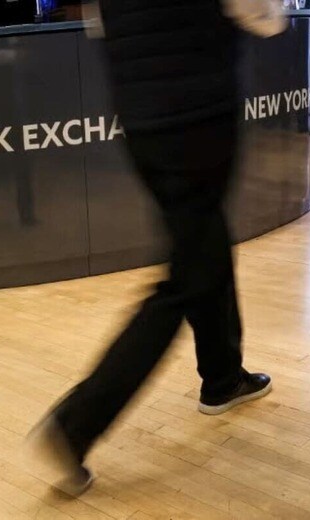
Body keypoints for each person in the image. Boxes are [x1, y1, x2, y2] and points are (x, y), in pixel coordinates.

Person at [31, 0, 286, 497]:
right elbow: (259, 11)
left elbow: (97, 22)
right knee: (186, 275)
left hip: (141, 117)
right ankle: (76, 423)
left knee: (202, 241)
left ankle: (223, 377)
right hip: (199, 107)